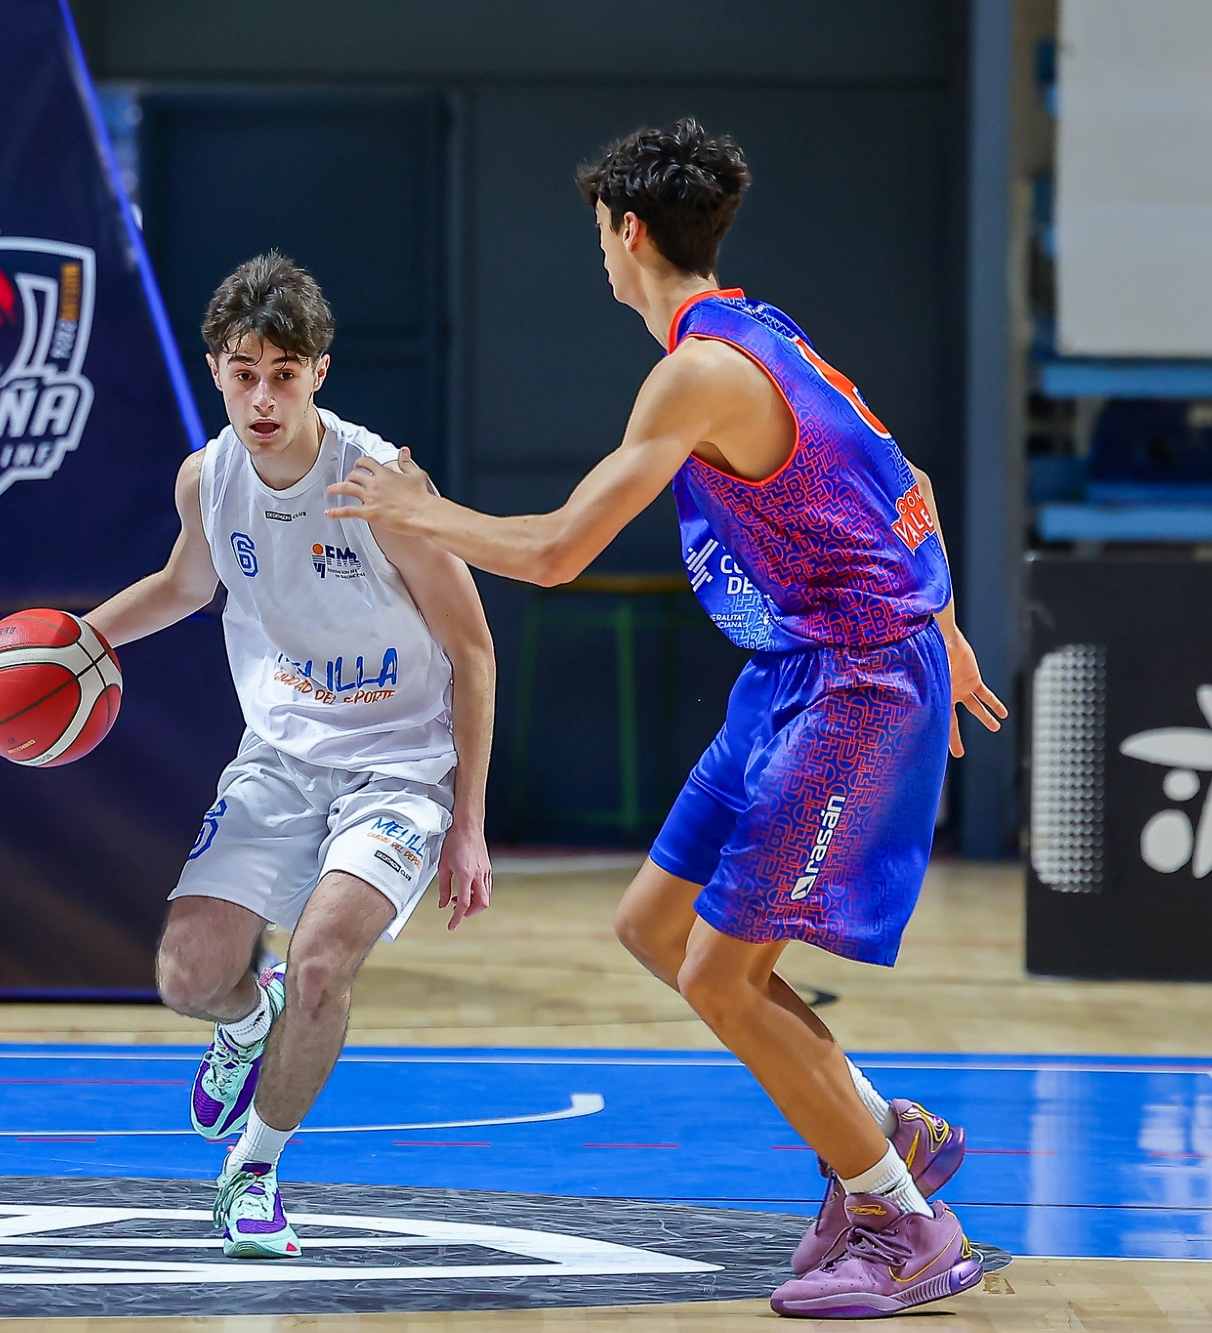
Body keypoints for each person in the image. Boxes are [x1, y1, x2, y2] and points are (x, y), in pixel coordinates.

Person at [326, 120, 1010, 1317]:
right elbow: (915, 486)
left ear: (627, 233)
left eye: (600, 234)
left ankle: (905, 1223)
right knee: (655, 928)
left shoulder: (695, 368)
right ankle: (880, 1128)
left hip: (851, 684)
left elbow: (550, 554)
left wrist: (409, 509)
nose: (600, 254)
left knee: (723, 977)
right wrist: (943, 620)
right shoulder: (764, 329)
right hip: (798, 671)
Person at [84, 252, 495, 1258]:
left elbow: (473, 647)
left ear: (318, 369)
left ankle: (253, 1171)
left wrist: (471, 822)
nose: (260, 395)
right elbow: (185, 587)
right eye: (241, 372)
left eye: (281, 371)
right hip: (276, 754)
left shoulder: (381, 484)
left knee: (319, 963)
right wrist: (76, 641)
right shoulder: (208, 477)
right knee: (188, 976)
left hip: (397, 765)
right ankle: (240, 1021)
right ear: (216, 372)